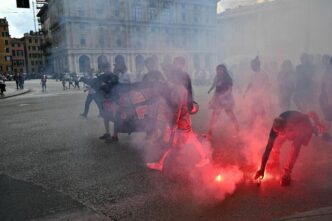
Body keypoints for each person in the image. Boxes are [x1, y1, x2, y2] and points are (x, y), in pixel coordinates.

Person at [147, 57, 209, 171]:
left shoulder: (179, 90)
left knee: (176, 141)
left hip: (181, 120)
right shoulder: (179, 88)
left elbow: (178, 108)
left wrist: (174, 123)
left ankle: (160, 164)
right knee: (183, 140)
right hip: (184, 119)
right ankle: (160, 163)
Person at [255, 111, 326, 186]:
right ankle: (275, 163)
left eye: (280, 132)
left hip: (301, 128)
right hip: (289, 129)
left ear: (286, 126)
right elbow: (267, 149)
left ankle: (287, 173)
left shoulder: (296, 121)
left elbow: (311, 113)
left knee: (295, 145)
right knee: (275, 144)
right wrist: (262, 169)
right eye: (277, 132)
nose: (278, 134)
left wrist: (318, 124)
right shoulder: (276, 129)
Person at [207, 64, 240, 136]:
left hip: (226, 98)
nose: (219, 71)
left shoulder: (228, 78)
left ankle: (237, 129)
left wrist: (223, 96)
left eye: (220, 69)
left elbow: (230, 90)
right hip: (218, 98)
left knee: (230, 114)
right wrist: (211, 91)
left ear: (224, 70)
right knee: (214, 116)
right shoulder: (217, 77)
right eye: (218, 69)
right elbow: (214, 85)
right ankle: (210, 132)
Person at [243, 56, 270, 127]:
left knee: (257, 110)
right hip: (255, 96)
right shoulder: (253, 74)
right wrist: (245, 92)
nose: (251, 67)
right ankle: (263, 125)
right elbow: (250, 84)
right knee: (258, 111)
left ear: (257, 65)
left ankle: (252, 125)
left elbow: (267, 84)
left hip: (260, 96)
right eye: (251, 65)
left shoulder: (263, 73)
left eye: (252, 65)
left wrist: (261, 93)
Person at [98, 62, 119, 142]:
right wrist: (102, 95)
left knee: (115, 117)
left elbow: (117, 89)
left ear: (110, 68)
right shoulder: (101, 77)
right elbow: (99, 88)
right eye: (105, 68)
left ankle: (115, 135)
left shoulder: (115, 77)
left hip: (113, 100)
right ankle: (107, 133)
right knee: (105, 116)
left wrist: (111, 97)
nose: (107, 69)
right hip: (104, 100)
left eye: (108, 67)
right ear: (103, 69)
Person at [319, 56, 332, 138]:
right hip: (327, 99)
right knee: (328, 116)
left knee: (329, 117)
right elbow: (327, 88)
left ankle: (323, 133)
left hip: (326, 98)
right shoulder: (329, 72)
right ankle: (323, 133)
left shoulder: (328, 71)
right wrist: (329, 101)